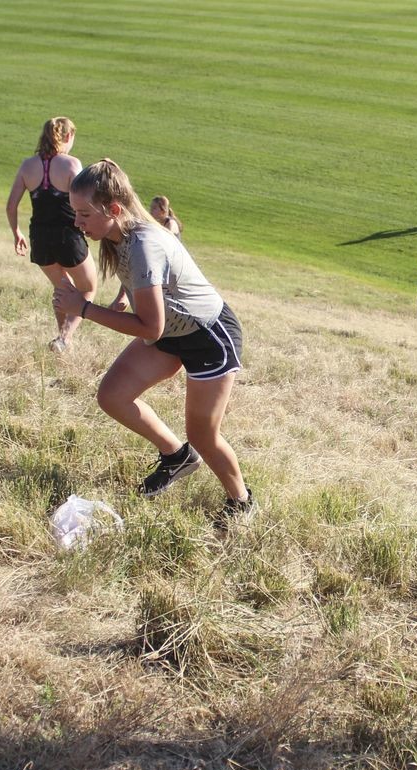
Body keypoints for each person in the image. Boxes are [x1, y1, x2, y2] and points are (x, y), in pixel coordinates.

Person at [52, 159, 254, 527]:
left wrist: (84, 308)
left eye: (83, 214)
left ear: (113, 209)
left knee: (204, 435)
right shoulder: (118, 235)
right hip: (172, 332)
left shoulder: (146, 243)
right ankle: (177, 457)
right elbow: (147, 288)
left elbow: (151, 328)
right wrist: (122, 298)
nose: (77, 222)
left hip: (208, 337)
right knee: (112, 394)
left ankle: (241, 502)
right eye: (74, 213)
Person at [6, 117, 99, 353]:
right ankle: (65, 338)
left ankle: (60, 340)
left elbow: (11, 205)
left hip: (39, 237)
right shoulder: (71, 164)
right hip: (68, 235)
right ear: (68, 137)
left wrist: (16, 232)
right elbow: (84, 200)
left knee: (62, 289)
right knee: (88, 287)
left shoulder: (27, 166)